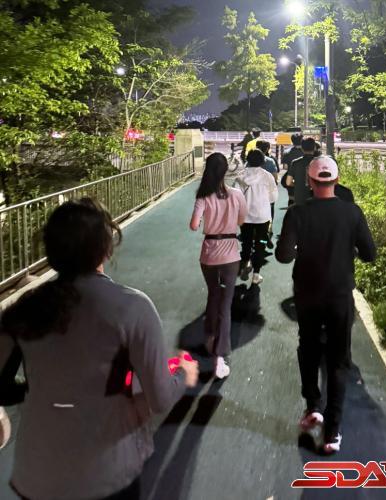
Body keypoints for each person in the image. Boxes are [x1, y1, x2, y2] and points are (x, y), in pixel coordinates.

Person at [0, 198, 199, 500]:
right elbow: (160, 398)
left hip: (37, 473)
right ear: (106, 248)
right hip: (106, 472)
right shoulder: (132, 307)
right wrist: (184, 374)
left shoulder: (24, 308)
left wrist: (33, 388)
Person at [275, 156, 376, 454]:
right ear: (337, 180)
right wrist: (347, 249)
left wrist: (301, 249)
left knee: (308, 347)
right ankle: (332, 433)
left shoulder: (297, 213)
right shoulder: (352, 212)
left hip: (307, 293)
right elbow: (370, 254)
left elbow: (283, 255)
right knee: (338, 359)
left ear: (309, 181)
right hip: (339, 295)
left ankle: (312, 406)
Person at [190, 153, 247, 379]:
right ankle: (220, 357)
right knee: (225, 304)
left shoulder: (203, 196)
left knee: (213, 294)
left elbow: (194, 225)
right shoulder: (236, 194)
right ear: (226, 171)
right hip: (231, 253)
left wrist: (207, 219)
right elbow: (242, 220)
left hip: (209, 253)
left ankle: (209, 337)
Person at [236, 149, 278, 285]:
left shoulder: (240, 176)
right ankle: (256, 274)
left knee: (246, 242)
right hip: (262, 217)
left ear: (247, 160)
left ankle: (246, 262)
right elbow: (274, 197)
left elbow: (235, 196)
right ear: (262, 161)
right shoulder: (267, 176)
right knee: (261, 243)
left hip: (245, 216)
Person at [255, 140, 278, 248]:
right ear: (267, 149)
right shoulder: (270, 161)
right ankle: (265, 236)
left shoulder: (250, 162)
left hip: (254, 194)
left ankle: (258, 238)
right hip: (268, 194)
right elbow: (275, 178)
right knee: (268, 216)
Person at [286, 137, 316, 206]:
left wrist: (297, 184)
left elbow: (288, 182)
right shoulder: (319, 162)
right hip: (315, 198)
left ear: (302, 148)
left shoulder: (295, 162)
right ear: (314, 148)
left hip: (300, 198)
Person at [281, 133, 304, 206]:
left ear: (292, 141)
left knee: (291, 198)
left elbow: (285, 167)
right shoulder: (305, 151)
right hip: (304, 177)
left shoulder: (286, 152)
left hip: (290, 177)